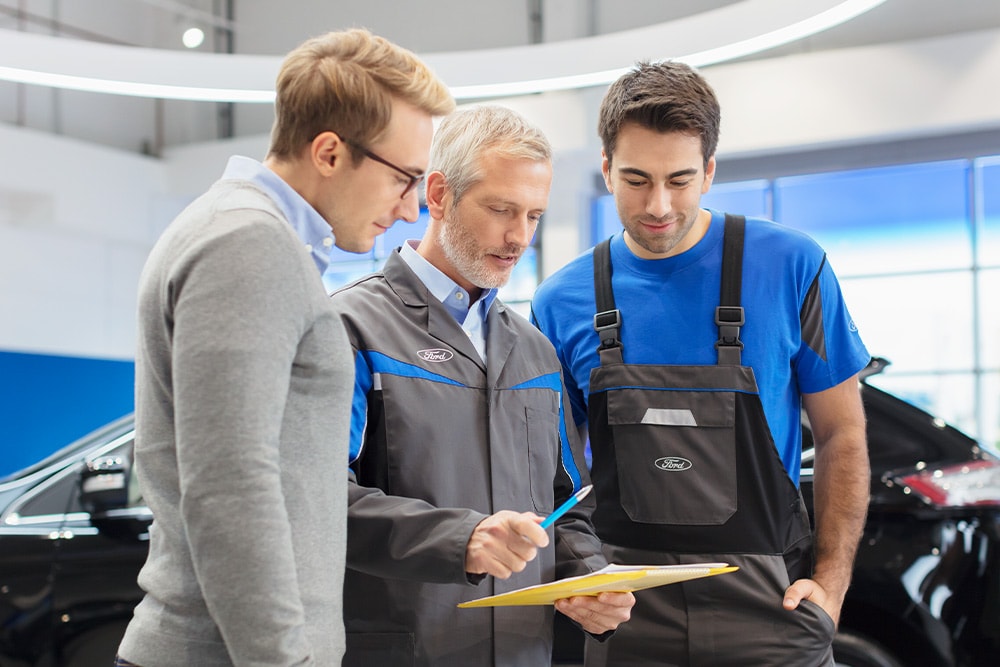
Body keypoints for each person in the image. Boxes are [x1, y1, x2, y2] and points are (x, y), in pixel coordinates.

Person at [116, 29, 454, 667]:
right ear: (329, 152)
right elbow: (229, 484)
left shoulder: (242, 233)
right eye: (404, 180)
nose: (411, 210)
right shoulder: (248, 246)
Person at [530, 61, 871, 666]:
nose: (658, 204)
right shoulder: (561, 301)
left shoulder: (793, 266)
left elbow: (843, 434)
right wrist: (575, 574)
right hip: (626, 615)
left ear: (710, 171)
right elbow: (553, 471)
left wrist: (833, 587)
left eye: (680, 179)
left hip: (775, 607)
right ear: (605, 169)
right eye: (635, 179)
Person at [329, 104, 634, 667]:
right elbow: (317, 500)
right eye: (501, 209)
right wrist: (457, 539)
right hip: (403, 649)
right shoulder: (350, 328)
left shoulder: (535, 352)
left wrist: (586, 578)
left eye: (535, 216)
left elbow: (566, 506)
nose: (519, 236)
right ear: (440, 195)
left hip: (522, 650)